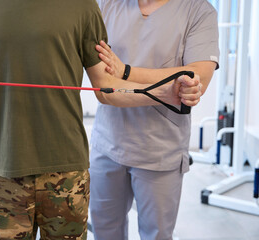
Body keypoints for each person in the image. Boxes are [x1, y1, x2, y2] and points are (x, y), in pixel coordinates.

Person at [0, 0, 202, 239]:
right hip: (5, 169)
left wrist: (161, 92)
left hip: (67, 172)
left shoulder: (82, 5)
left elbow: (105, 86)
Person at [89, 0, 219, 240]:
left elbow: (194, 75)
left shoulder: (198, 11)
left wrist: (126, 72)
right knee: (104, 231)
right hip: (107, 144)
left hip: (159, 150)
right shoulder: (105, 5)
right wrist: (165, 84)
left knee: (156, 235)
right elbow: (101, 80)